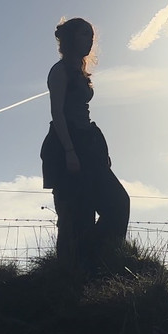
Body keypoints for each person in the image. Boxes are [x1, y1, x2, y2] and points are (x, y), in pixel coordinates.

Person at [40, 18, 130, 272]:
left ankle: (99, 261)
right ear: (70, 39)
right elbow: (57, 113)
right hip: (67, 146)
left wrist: (99, 150)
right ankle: (74, 272)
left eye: (91, 36)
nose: (89, 41)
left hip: (88, 145)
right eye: (83, 35)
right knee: (75, 217)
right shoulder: (59, 71)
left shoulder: (80, 71)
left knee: (118, 203)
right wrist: (69, 150)